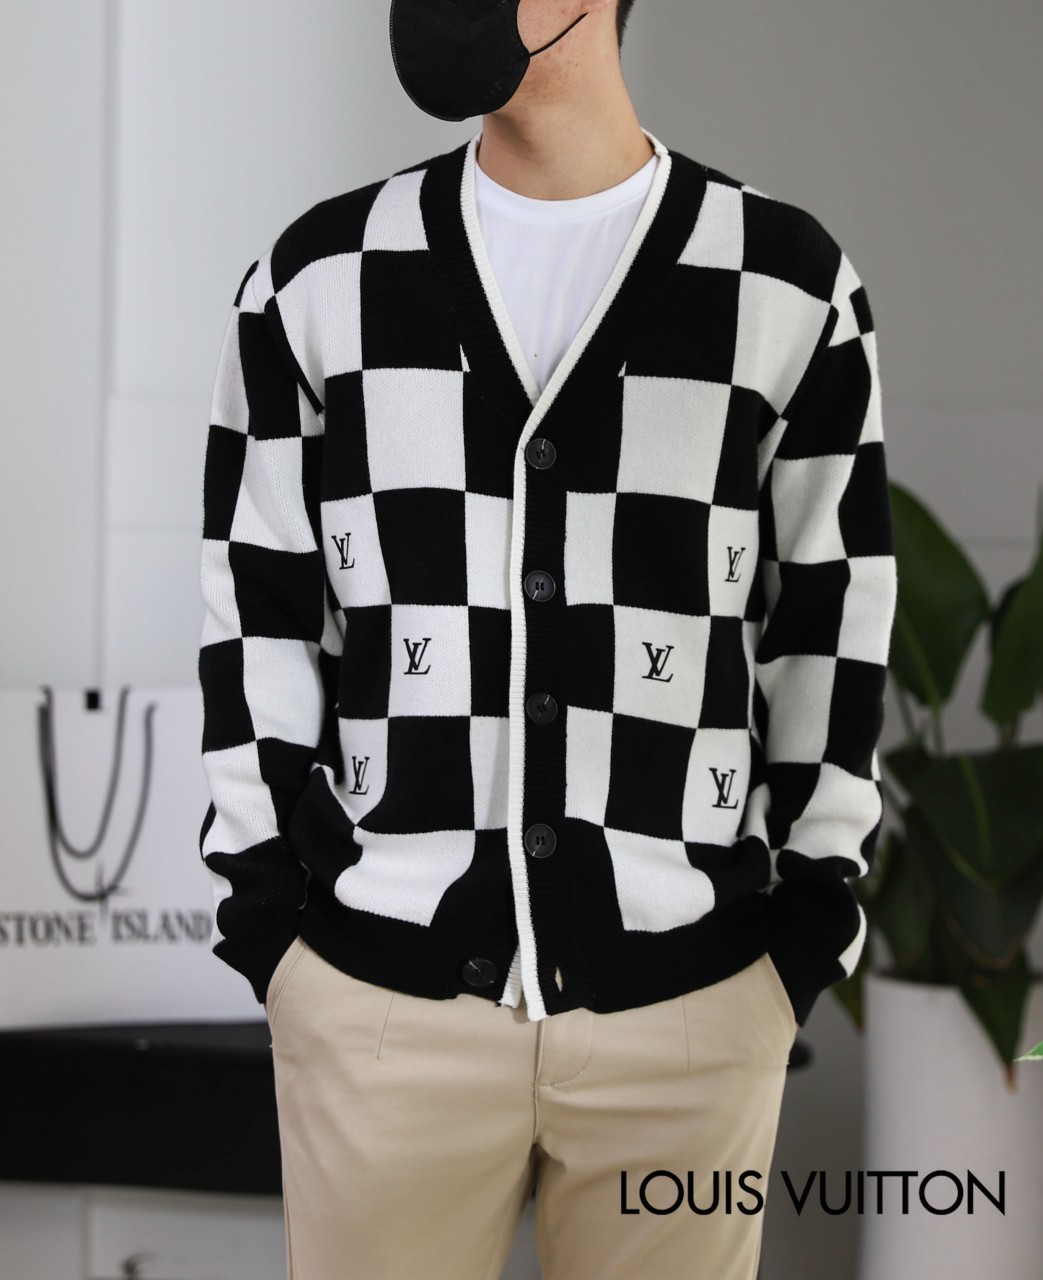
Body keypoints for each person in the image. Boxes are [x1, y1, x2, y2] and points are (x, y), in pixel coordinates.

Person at [196, 2, 897, 1277]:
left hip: (691, 1009)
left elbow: (830, 617)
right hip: (377, 1003)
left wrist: (801, 938)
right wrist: (271, 927)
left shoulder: (784, 284)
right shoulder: (320, 278)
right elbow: (257, 606)